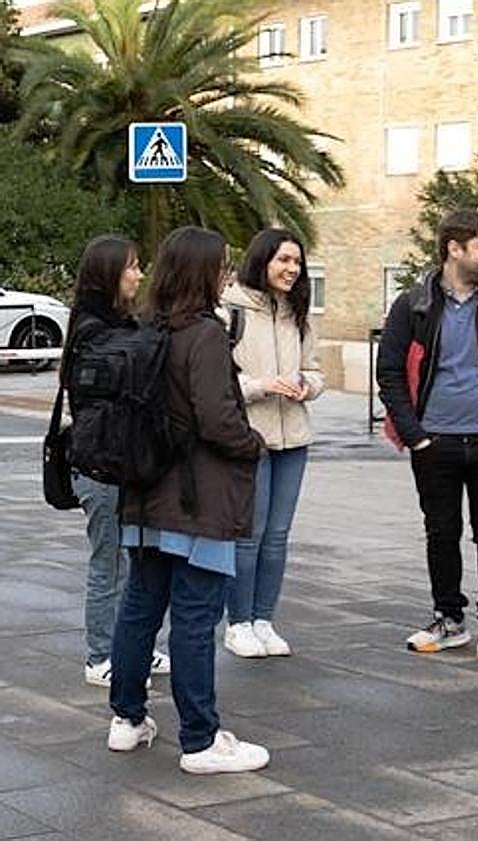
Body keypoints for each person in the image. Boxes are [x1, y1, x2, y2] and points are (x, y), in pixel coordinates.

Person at [107, 226, 269, 774]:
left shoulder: (144, 327)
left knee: (140, 607)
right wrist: (253, 445)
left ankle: (127, 720)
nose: (227, 275)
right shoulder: (203, 335)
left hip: (146, 495)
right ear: (203, 272)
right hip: (198, 501)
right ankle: (200, 739)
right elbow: (217, 418)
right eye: (222, 266)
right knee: (197, 618)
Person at [377, 209, 478, 660]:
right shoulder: (413, 305)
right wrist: (415, 436)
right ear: (455, 248)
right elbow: (389, 373)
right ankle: (449, 619)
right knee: (440, 532)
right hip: (435, 443)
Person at [61, 235, 170, 687]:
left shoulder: (118, 323)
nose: (139, 275)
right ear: (108, 272)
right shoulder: (93, 329)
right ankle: (101, 655)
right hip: (98, 463)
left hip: (122, 460)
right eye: (132, 267)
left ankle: (135, 646)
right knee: (109, 562)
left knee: (134, 559)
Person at [221, 228, 324, 658]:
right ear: (262, 259)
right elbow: (217, 379)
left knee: (278, 536)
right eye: (284, 260)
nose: (291, 269)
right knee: (249, 534)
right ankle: (238, 622)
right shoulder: (230, 311)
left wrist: (306, 384)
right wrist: (260, 385)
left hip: (294, 436)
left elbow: (316, 370)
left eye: (297, 262)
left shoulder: (297, 314)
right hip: (250, 438)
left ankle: (265, 618)